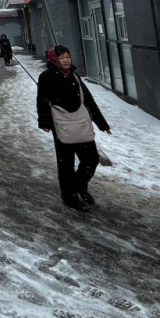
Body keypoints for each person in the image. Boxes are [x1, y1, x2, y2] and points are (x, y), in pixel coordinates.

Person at [37, 45, 112, 212]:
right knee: (66, 163)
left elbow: (88, 100)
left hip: (81, 123)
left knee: (91, 160)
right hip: (61, 124)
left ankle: (79, 186)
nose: (66, 60)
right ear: (54, 59)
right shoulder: (46, 76)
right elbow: (42, 100)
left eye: (67, 57)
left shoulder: (74, 76)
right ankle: (69, 196)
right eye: (61, 57)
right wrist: (44, 123)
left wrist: (101, 123)